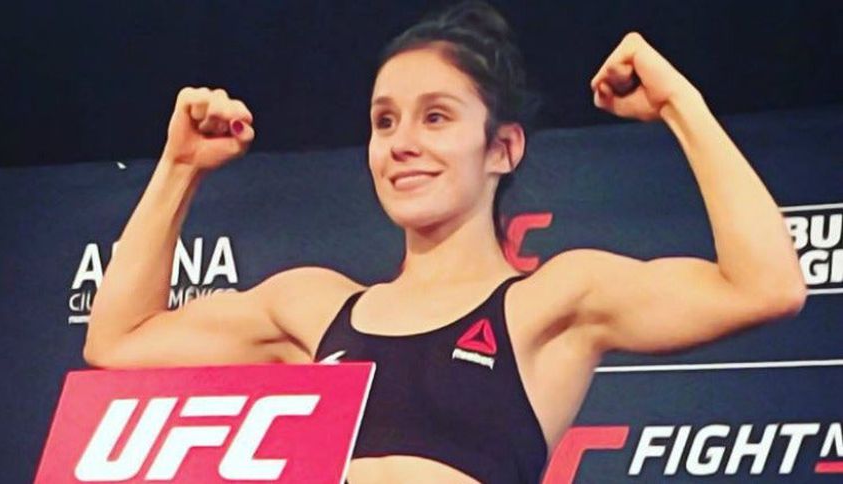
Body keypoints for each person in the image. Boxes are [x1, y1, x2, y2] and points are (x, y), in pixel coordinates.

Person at [83, 2, 806, 482]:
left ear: (503, 149)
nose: (402, 143)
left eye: (435, 117)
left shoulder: (550, 302)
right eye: (385, 120)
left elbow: (765, 286)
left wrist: (681, 103)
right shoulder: (313, 308)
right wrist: (180, 167)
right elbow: (117, 340)